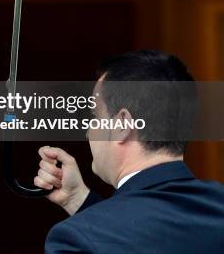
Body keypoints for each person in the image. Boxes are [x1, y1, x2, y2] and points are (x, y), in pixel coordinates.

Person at [34, 50, 224, 253]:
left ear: (122, 125)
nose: (89, 133)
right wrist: (78, 199)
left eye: (95, 116)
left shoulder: (76, 240)